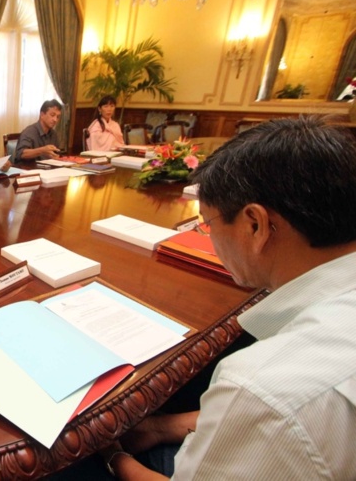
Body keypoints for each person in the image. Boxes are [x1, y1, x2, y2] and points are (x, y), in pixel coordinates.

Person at [99, 116, 356, 480]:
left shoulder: (258, 384)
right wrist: (161, 428)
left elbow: (259, 408)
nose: (208, 236)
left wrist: (111, 459)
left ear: (255, 225)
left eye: (207, 223)